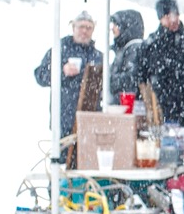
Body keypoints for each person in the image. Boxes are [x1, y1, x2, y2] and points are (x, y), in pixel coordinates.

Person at [34, 10, 103, 150]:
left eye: (88, 28)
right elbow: (40, 76)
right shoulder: (60, 50)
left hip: (90, 119)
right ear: (73, 28)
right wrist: (62, 71)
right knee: (62, 165)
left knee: (88, 165)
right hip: (63, 120)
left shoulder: (98, 56)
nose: (84, 31)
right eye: (81, 27)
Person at [138, 0, 184, 125]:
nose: (173, 19)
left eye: (175, 14)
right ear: (160, 18)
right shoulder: (150, 46)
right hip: (161, 110)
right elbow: (141, 79)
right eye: (167, 16)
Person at [107, 9, 145, 99]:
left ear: (126, 27)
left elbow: (131, 79)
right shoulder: (126, 49)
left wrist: (108, 79)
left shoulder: (134, 49)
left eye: (117, 25)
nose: (112, 28)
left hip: (128, 106)